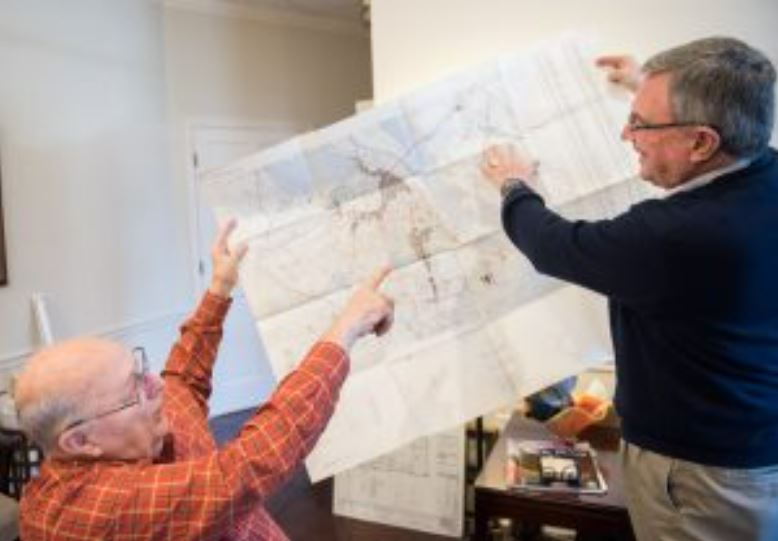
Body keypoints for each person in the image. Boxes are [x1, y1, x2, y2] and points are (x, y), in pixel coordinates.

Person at [481, 36, 778, 541]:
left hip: (699, 474)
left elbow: (554, 245)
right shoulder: (763, 169)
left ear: (702, 142)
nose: (626, 133)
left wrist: (514, 186)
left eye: (640, 123)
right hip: (748, 446)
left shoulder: (678, 234)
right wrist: (647, 88)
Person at [14, 218, 394, 541]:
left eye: (141, 369)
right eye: (135, 388)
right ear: (81, 441)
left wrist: (220, 288)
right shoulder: (84, 514)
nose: (156, 385)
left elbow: (183, 379)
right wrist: (347, 327)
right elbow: (244, 471)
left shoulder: (138, 430)